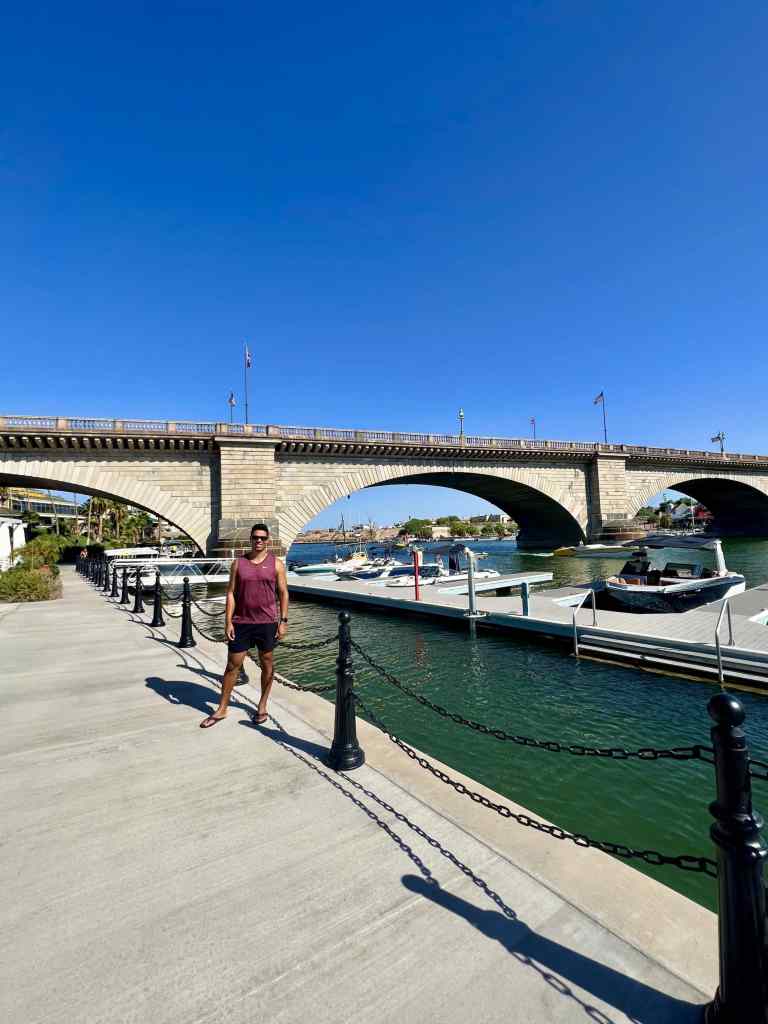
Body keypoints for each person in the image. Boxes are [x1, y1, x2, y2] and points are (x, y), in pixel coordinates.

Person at [200, 523, 289, 728]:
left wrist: (283, 621)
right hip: (242, 622)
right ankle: (222, 708)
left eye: (263, 538)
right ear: (250, 539)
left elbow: (284, 593)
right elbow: (231, 592)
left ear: (268, 541)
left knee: (267, 663)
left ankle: (262, 705)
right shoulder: (238, 563)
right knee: (232, 665)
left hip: (267, 622)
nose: (259, 541)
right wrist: (228, 621)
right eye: (256, 537)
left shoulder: (276, 564)